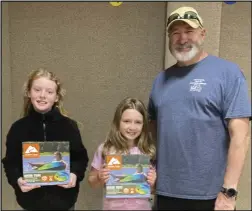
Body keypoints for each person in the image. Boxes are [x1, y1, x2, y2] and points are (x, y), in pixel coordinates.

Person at [148, 6, 251, 211]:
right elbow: (152, 132)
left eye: (189, 31)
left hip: (211, 196)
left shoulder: (228, 73)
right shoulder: (160, 80)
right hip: (166, 192)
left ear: (202, 34)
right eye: (175, 33)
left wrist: (229, 192)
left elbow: (241, 136)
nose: (182, 38)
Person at [2, 68, 89, 210]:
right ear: (29, 92)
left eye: (49, 92)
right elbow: (10, 163)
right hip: (30, 203)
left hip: (64, 203)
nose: (42, 95)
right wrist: (18, 180)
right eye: (37, 90)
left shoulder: (69, 126)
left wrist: (74, 175)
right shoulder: (18, 129)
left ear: (56, 97)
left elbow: (80, 158)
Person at [88, 97, 156, 210]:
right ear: (117, 122)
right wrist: (99, 177)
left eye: (138, 122)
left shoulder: (148, 151)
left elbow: (153, 189)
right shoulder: (105, 149)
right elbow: (91, 182)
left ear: (143, 125)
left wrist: (153, 183)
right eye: (126, 121)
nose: (132, 127)